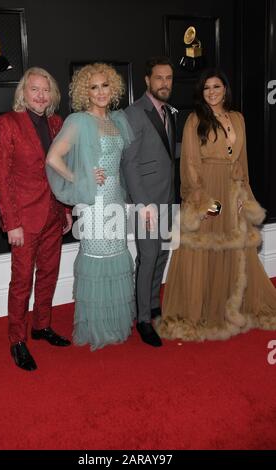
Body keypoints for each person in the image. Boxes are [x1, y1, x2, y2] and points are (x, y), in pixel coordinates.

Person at [157, 68, 276, 342]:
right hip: (208, 190)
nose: (211, 92)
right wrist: (202, 203)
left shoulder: (238, 118)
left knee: (235, 250)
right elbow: (189, 164)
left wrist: (243, 197)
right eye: (206, 88)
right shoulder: (194, 119)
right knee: (204, 249)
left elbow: (242, 161)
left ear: (225, 89)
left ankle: (229, 304)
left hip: (232, 189)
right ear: (201, 92)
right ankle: (200, 310)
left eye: (216, 86)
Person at [46, 63, 135, 351]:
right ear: (85, 92)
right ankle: (97, 326)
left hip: (115, 202)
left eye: (105, 85)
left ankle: (114, 323)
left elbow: (121, 166)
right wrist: (80, 177)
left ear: (114, 88)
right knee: (97, 260)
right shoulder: (78, 121)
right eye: (93, 87)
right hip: (94, 204)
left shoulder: (117, 120)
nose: (100, 92)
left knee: (117, 257)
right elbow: (53, 158)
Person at [0, 67, 73, 372]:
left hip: (53, 214)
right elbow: (0, 177)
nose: (40, 95)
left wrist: (65, 210)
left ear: (52, 94)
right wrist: (11, 222)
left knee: (49, 274)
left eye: (45, 89)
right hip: (23, 219)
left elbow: (60, 169)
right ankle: (17, 340)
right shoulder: (6, 124)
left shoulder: (56, 123)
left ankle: (42, 326)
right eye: (34, 89)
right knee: (22, 282)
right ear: (23, 93)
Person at [121, 56, 180, 347]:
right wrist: (142, 204)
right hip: (147, 203)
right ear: (147, 81)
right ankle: (143, 320)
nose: (164, 83)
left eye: (169, 78)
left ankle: (154, 305)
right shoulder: (134, 113)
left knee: (162, 256)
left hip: (168, 198)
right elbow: (129, 164)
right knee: (147, 258)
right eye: (159, 78)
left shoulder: (169, 111)